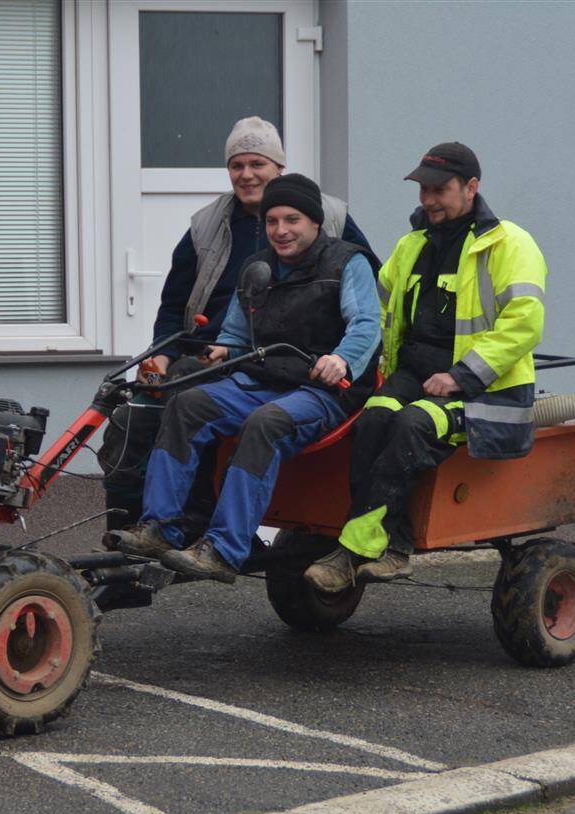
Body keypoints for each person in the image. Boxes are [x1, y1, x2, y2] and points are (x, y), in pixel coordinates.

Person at [98, 117, 377, 532]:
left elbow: (367, 295)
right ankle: (128, 532)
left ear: (278, 167)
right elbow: (173, 304)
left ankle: (197, 520)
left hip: (290, 358)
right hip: (214, 348)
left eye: (257, 163)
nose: (246, 174)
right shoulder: (205, 225)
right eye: (237, 165)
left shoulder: (330, 216)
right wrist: (161, 357)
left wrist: (344, 357)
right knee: (134, 413)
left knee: (191, 400)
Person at [303, 142, 547, 593]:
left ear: (471, 187)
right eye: (423, 190)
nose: (428, 199)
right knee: (373, 419)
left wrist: (460, 376)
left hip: (484, 393)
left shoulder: (510, 244)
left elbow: (524, 325)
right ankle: (386, 544)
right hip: (415, 376)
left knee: (412, 425)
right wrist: (345, 358)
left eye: (439, 189)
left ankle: (362, 552)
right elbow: (376, 314)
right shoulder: (411, 246)